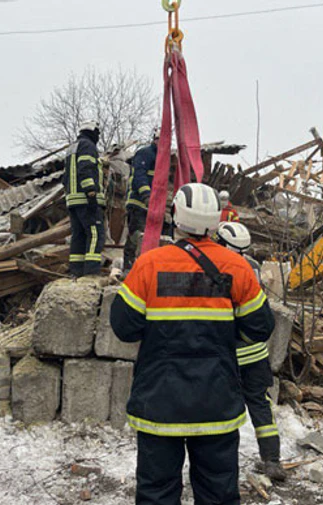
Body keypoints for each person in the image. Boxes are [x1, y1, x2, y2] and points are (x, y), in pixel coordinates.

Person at [110, 183, 275, 505]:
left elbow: (124, 328)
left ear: (176, 217)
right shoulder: (237, 268)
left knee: (156, 493)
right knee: (218, 493)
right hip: (216, 402)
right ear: (216, 221)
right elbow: (260, 327)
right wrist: (225, 340)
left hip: (160, 402)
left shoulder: (149, 265)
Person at [214, 222, 284, 481]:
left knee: (222, 409)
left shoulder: (217, 267)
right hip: (256, 352)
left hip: (228, 354)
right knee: (260, 404)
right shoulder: (252, 267)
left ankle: (222, 464)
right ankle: (272, 460)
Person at [63, 120, 106, 277]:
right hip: (85, 199)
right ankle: (91, 273)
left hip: (73, 200)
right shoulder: (88, 146)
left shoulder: (71, 148)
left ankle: (76, 272)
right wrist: (91, 192)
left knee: (79, 236)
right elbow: (85, 169)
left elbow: (65, 177)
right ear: (92, 131)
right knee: (96, 234)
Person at [123, 129, 158, 271]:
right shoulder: (145, 153)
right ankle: (129, 267)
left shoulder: (162, 157)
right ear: (154, 139)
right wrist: (146, 196)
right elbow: (139, 176)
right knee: (136, 236)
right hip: (138, 203)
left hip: (153, 206)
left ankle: (145, 267)